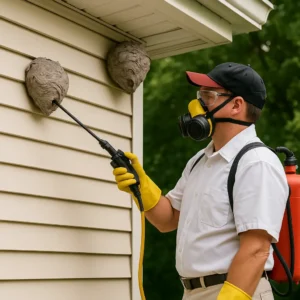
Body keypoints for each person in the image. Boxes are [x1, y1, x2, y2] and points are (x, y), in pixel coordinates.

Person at [112, 62, 289, 300]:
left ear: (237, 105)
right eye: (200, 95)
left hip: (236, 291)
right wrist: (141, 185)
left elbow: (256, 249)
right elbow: (168, 219)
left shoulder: (256, 163)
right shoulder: (199, 161)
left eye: (209, 96)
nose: (197, 105)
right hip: (194, 292)